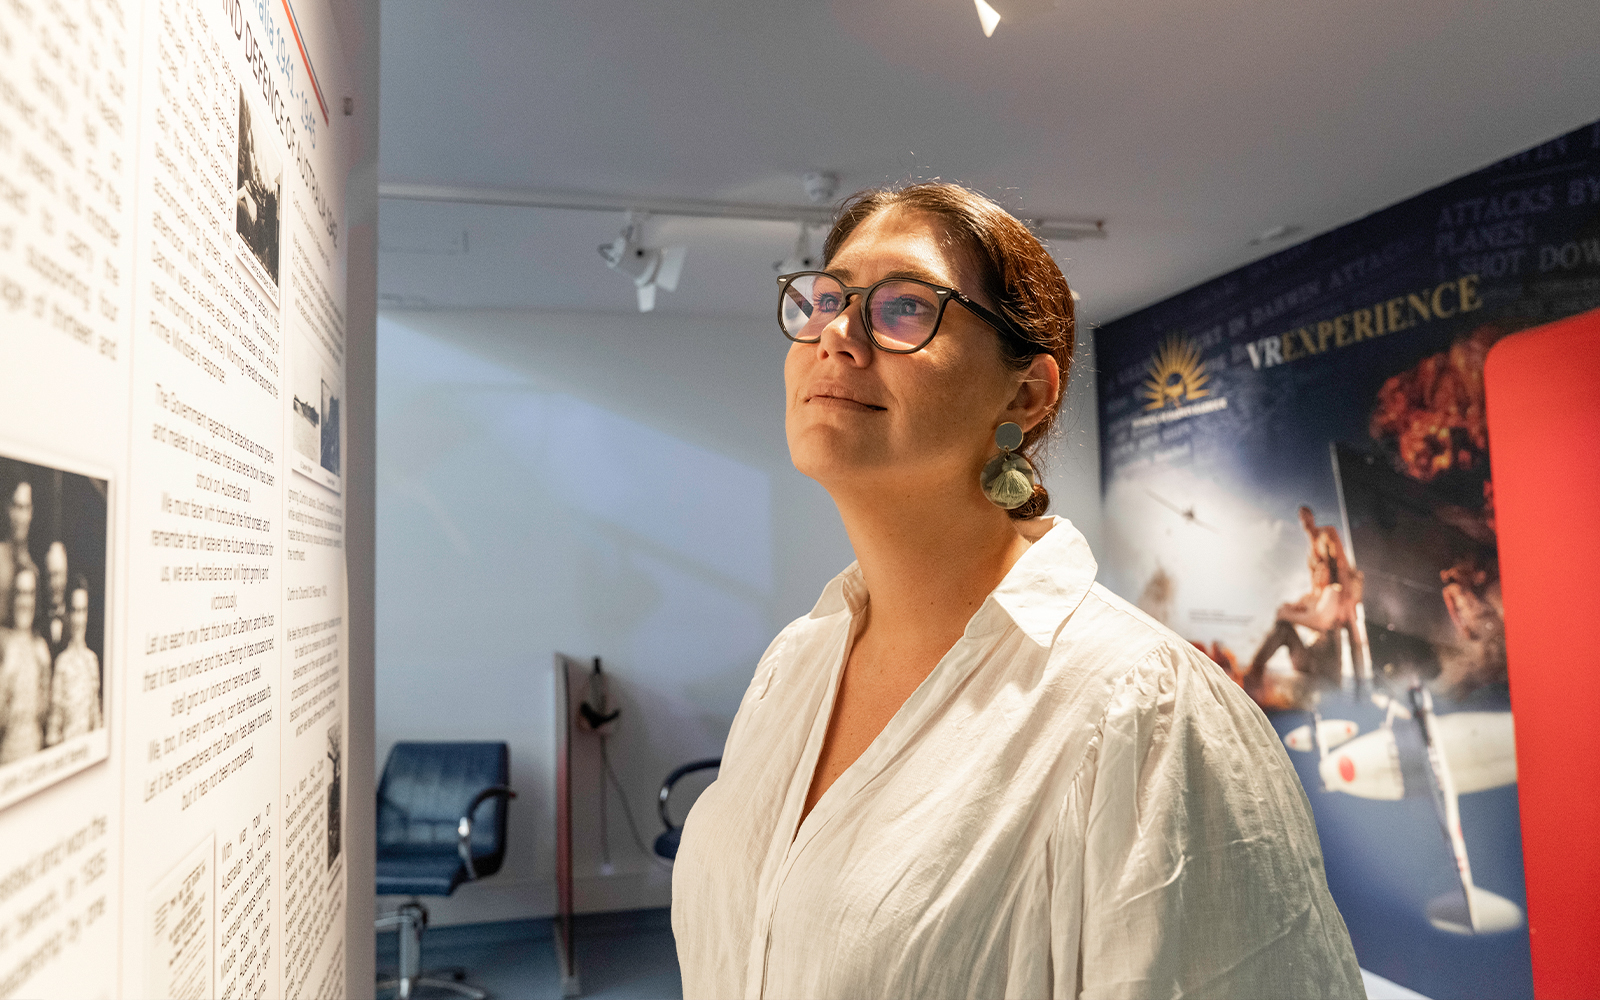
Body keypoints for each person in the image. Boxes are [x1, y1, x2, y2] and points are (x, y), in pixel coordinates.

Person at [671, 183, 1362, 999]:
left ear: (1025, 394)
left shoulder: (1145, 714)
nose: (837, 334)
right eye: (826, 298)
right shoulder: (795, 663)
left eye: (902, 307)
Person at [0, 567, 52, 764]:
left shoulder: (40, 648)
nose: (25, 601)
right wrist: (6, 679)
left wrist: (45, 676)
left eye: (30, 594)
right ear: (13, 598)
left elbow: (44, 718)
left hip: (35, 754)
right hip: (8, 759)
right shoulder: (3, 645)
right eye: (20, 593)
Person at [45, 577, 101, 746]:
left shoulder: (92, 661)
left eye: (83, 611)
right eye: (75, 611)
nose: (79, 619)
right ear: (68, 615)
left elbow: (96, 719)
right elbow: (54, 728)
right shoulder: (62, 663)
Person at [0, 482, 38, 629]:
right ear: (8, 509)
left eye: (25, 508)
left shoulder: (33, 570)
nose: (21, 516)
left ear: (31, 513)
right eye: (17, 507)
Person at [43, 541, 69, 658]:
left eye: (59, 575)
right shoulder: (38, 625)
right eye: (50, 575)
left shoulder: (74, 622)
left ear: (66, 576)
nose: (55, 583)